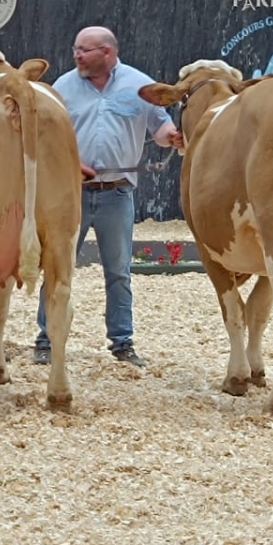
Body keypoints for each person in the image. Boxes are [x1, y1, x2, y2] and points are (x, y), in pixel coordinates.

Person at [31, 26, 183, 368]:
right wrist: (72, 163)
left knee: (119, 271)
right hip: (70, 194)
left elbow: (159, 126)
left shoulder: (139, 85)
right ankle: (47, 340)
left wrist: (172, 137)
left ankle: (122, 342)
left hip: (117, 192)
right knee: (57, 267)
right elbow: (46, 138)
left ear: (107, 53)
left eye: (84, 50)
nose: (77, 55)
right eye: (76, 48)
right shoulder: (61, 88)